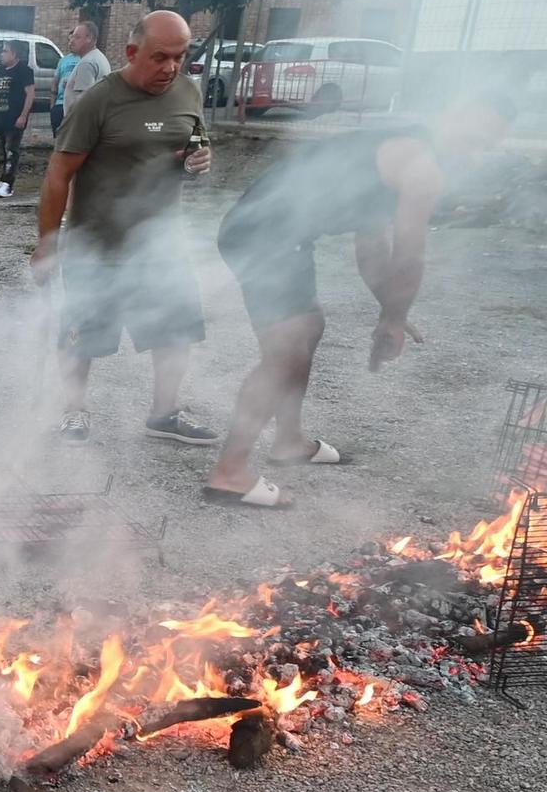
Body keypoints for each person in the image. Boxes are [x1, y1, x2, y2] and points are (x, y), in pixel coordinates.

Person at [201, 93, 516, 508]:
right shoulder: (423, 167)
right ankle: (230, 473)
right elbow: (409, 255)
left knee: (308, 329)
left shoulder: (394, 151)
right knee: (286, 350)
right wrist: (394, 318)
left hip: (278, 234)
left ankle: (289, 440)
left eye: (484, 145)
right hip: (265, 235)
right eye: (474, 138)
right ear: (452, 117)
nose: (473, 153)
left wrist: (391, 311)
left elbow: (371, 250)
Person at [32, 10, 214, 447]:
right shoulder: (100, 100)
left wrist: (199, 162)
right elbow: (59, 174)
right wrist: (47, 242)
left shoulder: (188, 92)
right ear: (132, 53)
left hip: (161, 243)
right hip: (98, 244)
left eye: (180, 57)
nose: (171, 67)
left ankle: (164, 414)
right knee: (82, 335)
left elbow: (195, 145)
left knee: (175, 329)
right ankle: (73, 412)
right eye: (160, 57)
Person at [0, 39, 36, 199]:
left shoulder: (24, 71)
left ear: (14, 54)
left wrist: (23, 116)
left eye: (5, 51)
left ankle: (8, 184)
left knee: (12, 150)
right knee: (2, 150)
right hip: (0, 117)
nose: (1, 54)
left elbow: (30, 94)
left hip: (15, 118)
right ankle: (2, 180)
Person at [62, 21, 112, 117]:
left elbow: (84, 101)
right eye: (72, 37)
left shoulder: (86, 63)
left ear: (89, 38)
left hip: (79, 124)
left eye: (77, 37)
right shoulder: (99, 58)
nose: (71, 41)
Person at [50, 45, 80, 136]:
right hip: (59, 104)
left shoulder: (84, 60)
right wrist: (52, 106)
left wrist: (72, 84)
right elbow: (55, 82)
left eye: (75, 39)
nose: (71, 43)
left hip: (75, 105)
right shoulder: (63, 60)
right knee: (58, 136)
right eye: (70, 40)